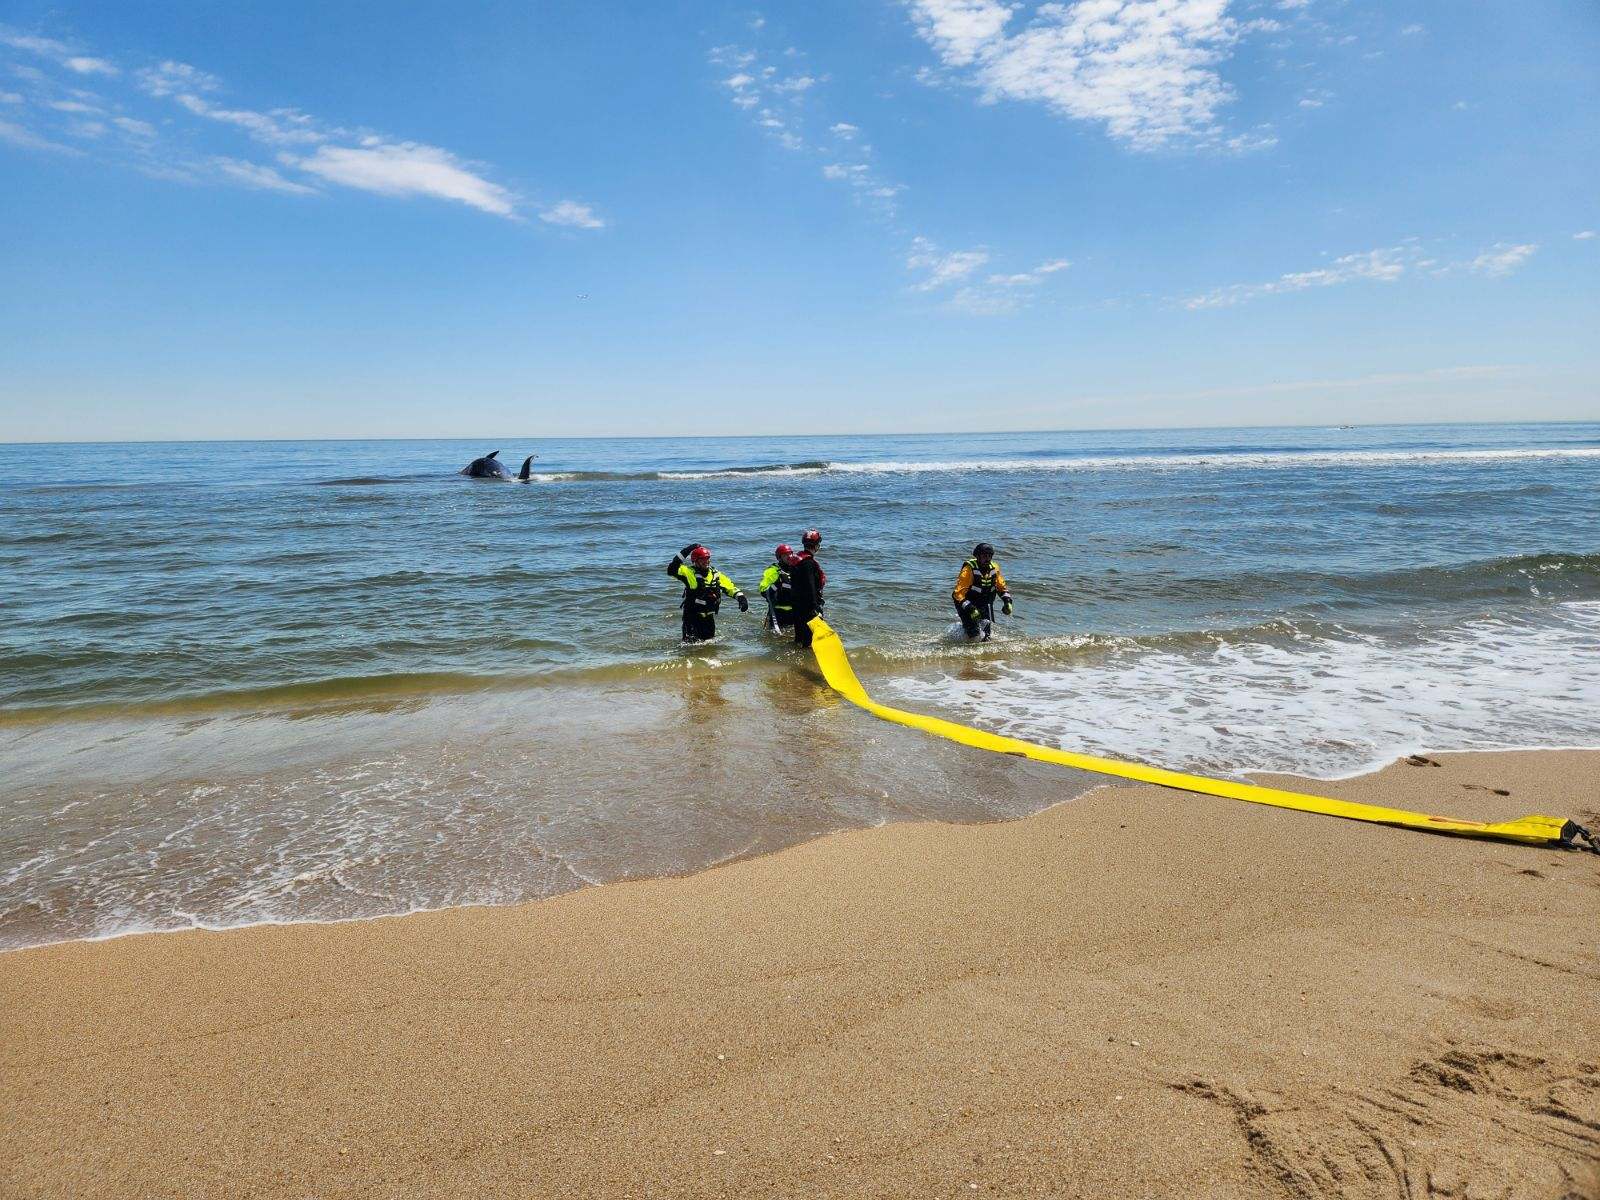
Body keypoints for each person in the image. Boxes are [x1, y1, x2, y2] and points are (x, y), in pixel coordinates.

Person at [667, 543, 747, 643]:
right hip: (692, 618)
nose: (706, 562)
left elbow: (730, 587)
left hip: (708, 618)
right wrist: (687, 550)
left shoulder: (715, 574)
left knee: (709, 646)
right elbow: (672, 569)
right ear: (695, 561)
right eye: (702, 559)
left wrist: (741, 598)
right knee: (690, 647)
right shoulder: (688, 572)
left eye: (707, 558)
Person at [951, 542, 1012, 641]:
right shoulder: (968, 569)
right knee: (974, 635)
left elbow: (1001, 588)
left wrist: (1007, 601)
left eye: (989, 556)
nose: (987, 559)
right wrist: (970, 608)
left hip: (985, 603)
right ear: (978, 556)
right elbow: (958, 594)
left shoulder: (994, 568)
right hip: (966, 603)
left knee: (987, 636)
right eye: (984, 556)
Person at [787, 529, 826, 648]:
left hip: (796, 604)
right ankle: (805, 661)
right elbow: (810, 586)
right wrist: (815, 607)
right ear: (816, 546)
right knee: (809, 641)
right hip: (808, 606)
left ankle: (796, 658)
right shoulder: (809, 563)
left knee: (799, 637)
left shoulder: (797, 559)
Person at [759, 543, 796, 634]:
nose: (789, 556)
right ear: (779, 557)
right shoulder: (773, 571)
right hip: (778, 612)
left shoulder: (795, 569)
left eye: (790, 553)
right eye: (785, 555)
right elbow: (764, 591)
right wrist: (777, 584)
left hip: (794, 611)